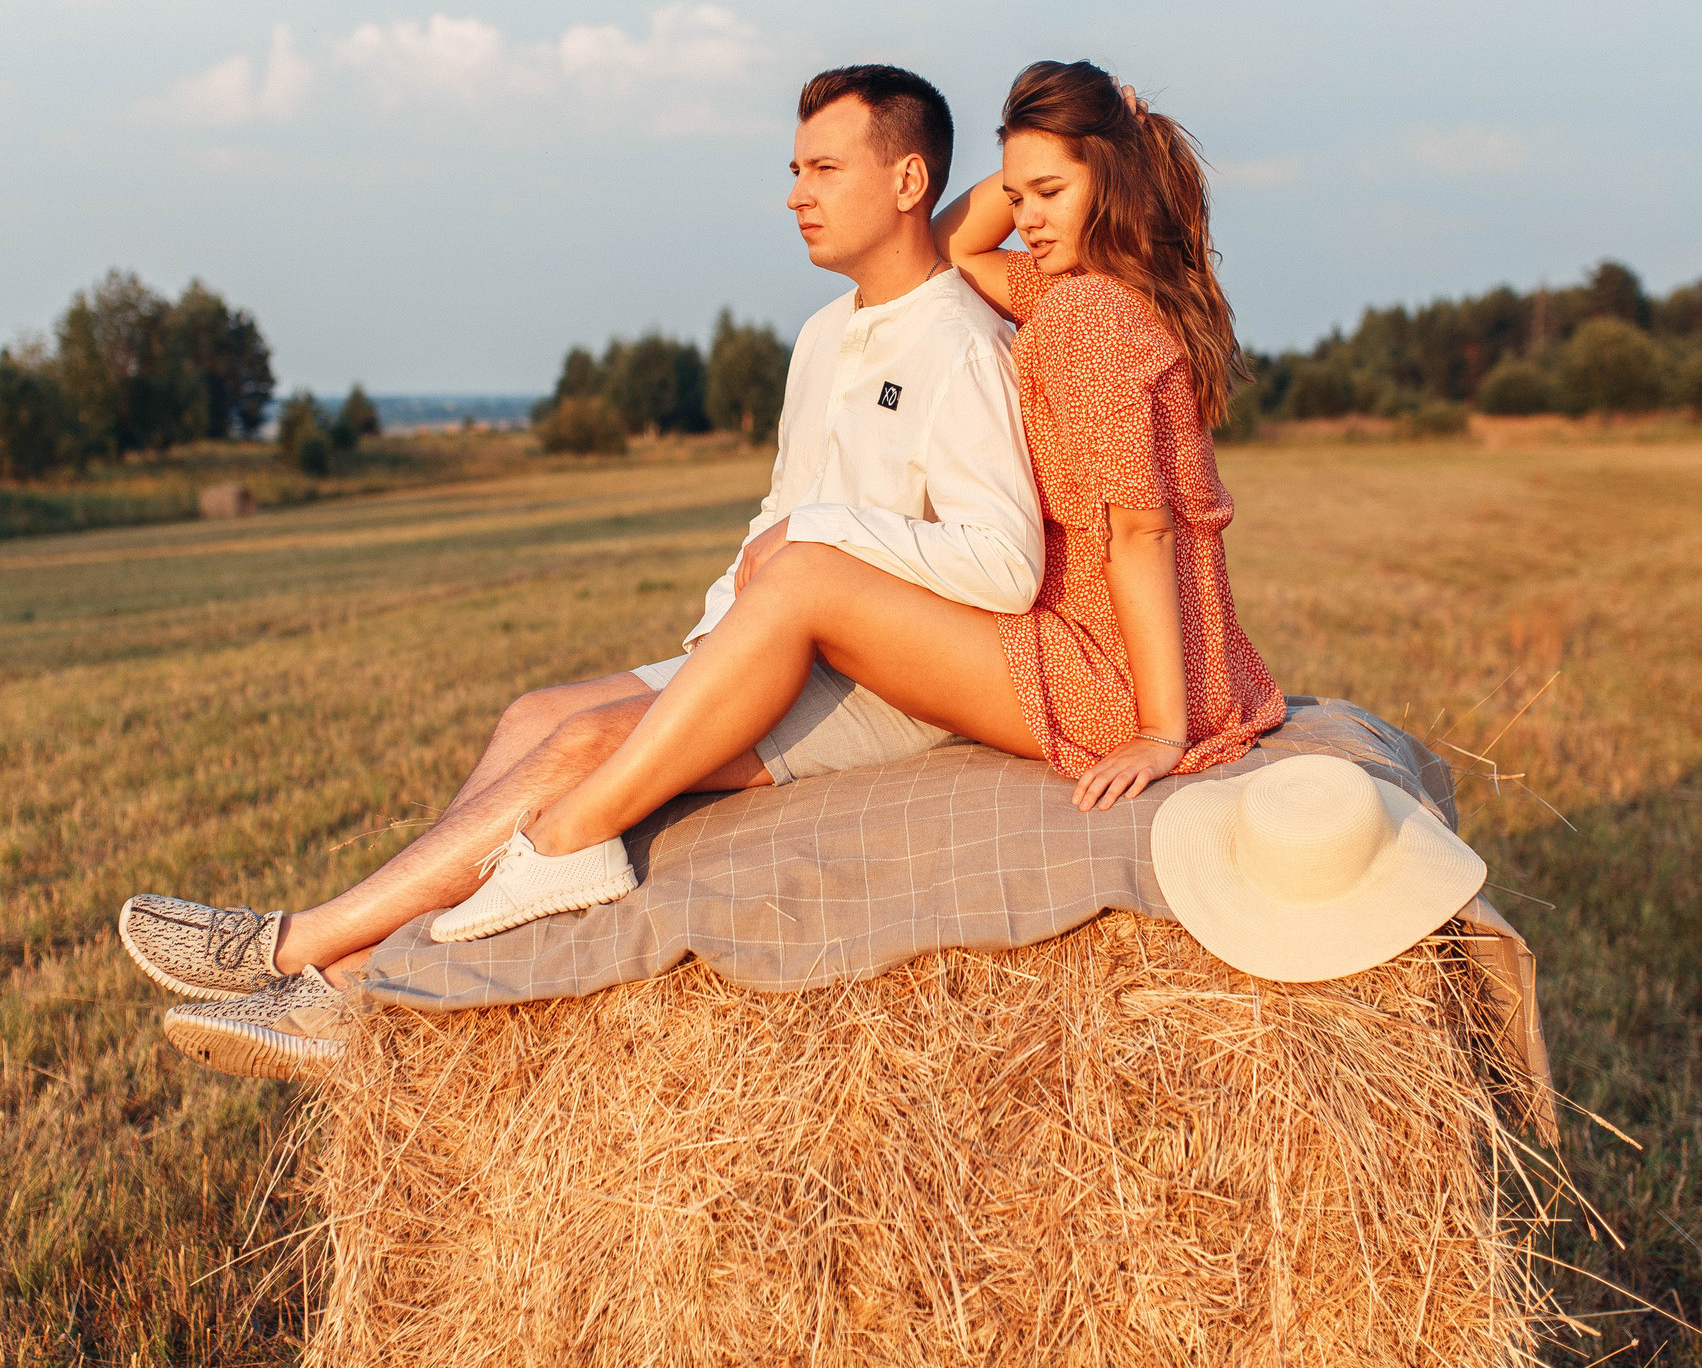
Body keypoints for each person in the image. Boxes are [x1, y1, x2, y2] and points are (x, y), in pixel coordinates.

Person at [120, 64, 1048, 1073]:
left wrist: (823, 540)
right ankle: (362, 985)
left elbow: (1004, 564)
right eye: (793, 169)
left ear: (909, 182)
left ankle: (304, 952)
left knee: (585, 750)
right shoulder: (824, 338)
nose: (795, 194)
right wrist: (713, 641)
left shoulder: (960, 343)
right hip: (770, 650)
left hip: (886, 682)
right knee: (532, 718)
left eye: (823, 168)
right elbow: (779, 515)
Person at [418, 59, 1285, 947]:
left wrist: (1158, 729)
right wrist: (1087, 150)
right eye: (1015, 193)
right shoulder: (1066, 291)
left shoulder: (1084, 318)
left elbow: (1139, 532)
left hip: (1111, 676)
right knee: (554, 712)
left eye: (1047, 191)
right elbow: (954, 244)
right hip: (1159, 654)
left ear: (1110, 179)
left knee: (796, 584)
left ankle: (562, 841)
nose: (1022, 216)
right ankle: (424, 919)